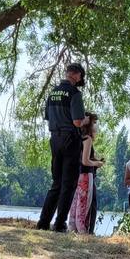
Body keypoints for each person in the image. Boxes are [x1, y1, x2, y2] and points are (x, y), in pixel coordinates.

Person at [37, 62, 87, 231]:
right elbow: (77, 121)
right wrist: (86, 120)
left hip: (54, 139)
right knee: (69, 184)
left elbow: (48, 117)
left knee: (56, 183)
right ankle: (59, 224)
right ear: (77, 75)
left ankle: (43, 222)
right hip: (70, 140)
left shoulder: (52, 93)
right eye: (80, 77)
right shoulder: (74, 93)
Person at [69, 113, 103, 233]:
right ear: (89, 124)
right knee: (84, 204)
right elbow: (85, 161)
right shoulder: (87, 139)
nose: (96, 126)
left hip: (77, 175)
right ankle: (83, 231)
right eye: (94, 123)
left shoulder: (77, 137)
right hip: (86, 176)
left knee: (76, 203)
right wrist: (97, 163)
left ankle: (73, 229)